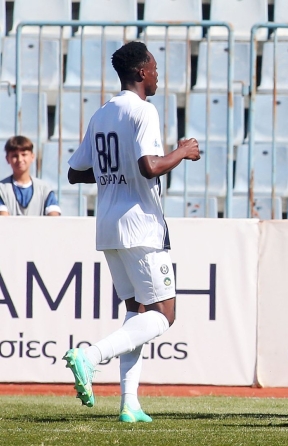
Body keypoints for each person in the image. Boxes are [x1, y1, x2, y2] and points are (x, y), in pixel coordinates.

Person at [62, 41, 201, 423]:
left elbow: (74, 173)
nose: (157, 76)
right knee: (164, 315)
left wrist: (113, 173)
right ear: (141, 72)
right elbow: (150, 166)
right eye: (154, 69)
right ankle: (90, 356)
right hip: (140, 226)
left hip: (108, 226)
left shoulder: (103, 113)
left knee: (136, 313)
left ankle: (129, 403)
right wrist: (183, 151)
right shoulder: (143, 110)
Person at [0, 136, 60, 216]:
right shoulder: (2, 189)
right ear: (7, 159)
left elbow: (54, 218)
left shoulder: (44, 189)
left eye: (24, 154)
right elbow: (3, 219)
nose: (20, 159)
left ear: (32, 157)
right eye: (15, 156)